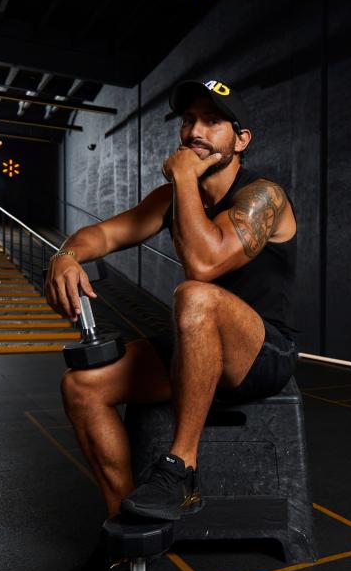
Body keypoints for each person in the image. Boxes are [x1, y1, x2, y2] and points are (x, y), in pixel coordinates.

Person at [47, 79, 298, 525]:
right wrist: (66, 255)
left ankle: (181, 470)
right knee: (82, 388)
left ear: (241, 140)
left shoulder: (265, 197)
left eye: (212, 121)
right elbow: (104, 234)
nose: (195, 131)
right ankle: (125, 536)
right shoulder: (176, 199)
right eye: (188, 121)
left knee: (194, 295)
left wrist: (183, 175)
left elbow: (204, 265)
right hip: (197, 347)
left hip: (262, 352)